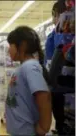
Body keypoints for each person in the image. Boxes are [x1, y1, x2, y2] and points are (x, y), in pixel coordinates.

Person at [5, 26, 52, 136]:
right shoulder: (24, 67)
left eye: (10, 45)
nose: (8, 50)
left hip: (26, 131)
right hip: (20, 130)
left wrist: (43, 127)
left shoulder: (29, 67)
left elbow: (43, 95)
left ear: (22, 46)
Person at [44, 2, 66, 135]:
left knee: (60, 113)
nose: (53, 19)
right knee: (60, 115)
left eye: (55, 15)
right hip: (58, 83)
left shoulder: (58, 34)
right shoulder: (54, 34)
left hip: (59, 83)